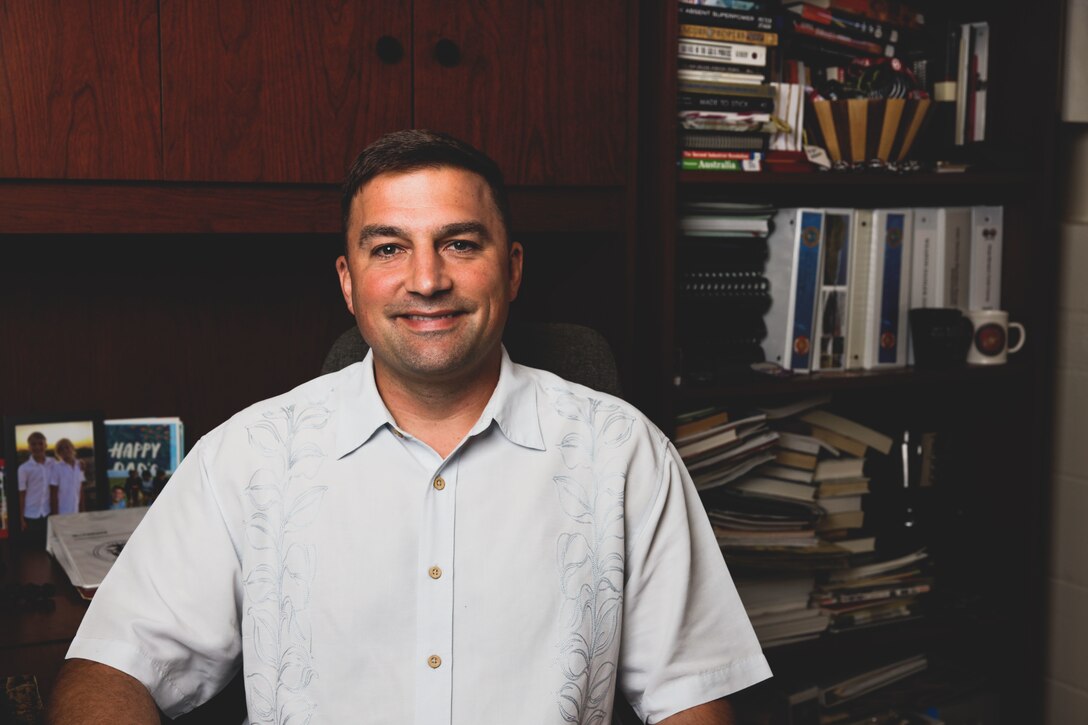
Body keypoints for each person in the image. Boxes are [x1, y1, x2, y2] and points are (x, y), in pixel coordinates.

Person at [48, 130, 772, 724]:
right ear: (347, 280)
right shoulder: (247, 458)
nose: (426, 279)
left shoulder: (625, 454)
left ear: (512, 269)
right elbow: (109, 670)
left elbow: (692, 700)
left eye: (460, 243)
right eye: (389, 247)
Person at [17, 431, 56, 547]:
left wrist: (81, 464)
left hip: (48, 513)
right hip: (31, 515)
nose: (37, 447)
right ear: (29, 447)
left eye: (40, 443)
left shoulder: (53, 463)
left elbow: (67, 466)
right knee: (33, 550)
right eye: (33, 444)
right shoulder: (23, 469)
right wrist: (21, 518)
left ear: (46, 445)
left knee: (48, 547)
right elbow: (21, 494)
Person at [51, 438, 85, 515]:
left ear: (72, 448)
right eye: (61, 449)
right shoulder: (56, 467)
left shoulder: (79, 466)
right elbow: (53, 494)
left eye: (67, 447)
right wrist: (56, 515)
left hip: (76, 510)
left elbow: (80, 489)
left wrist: (82, 510)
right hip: (62, 511)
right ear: (58, 453)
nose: (65, 451)